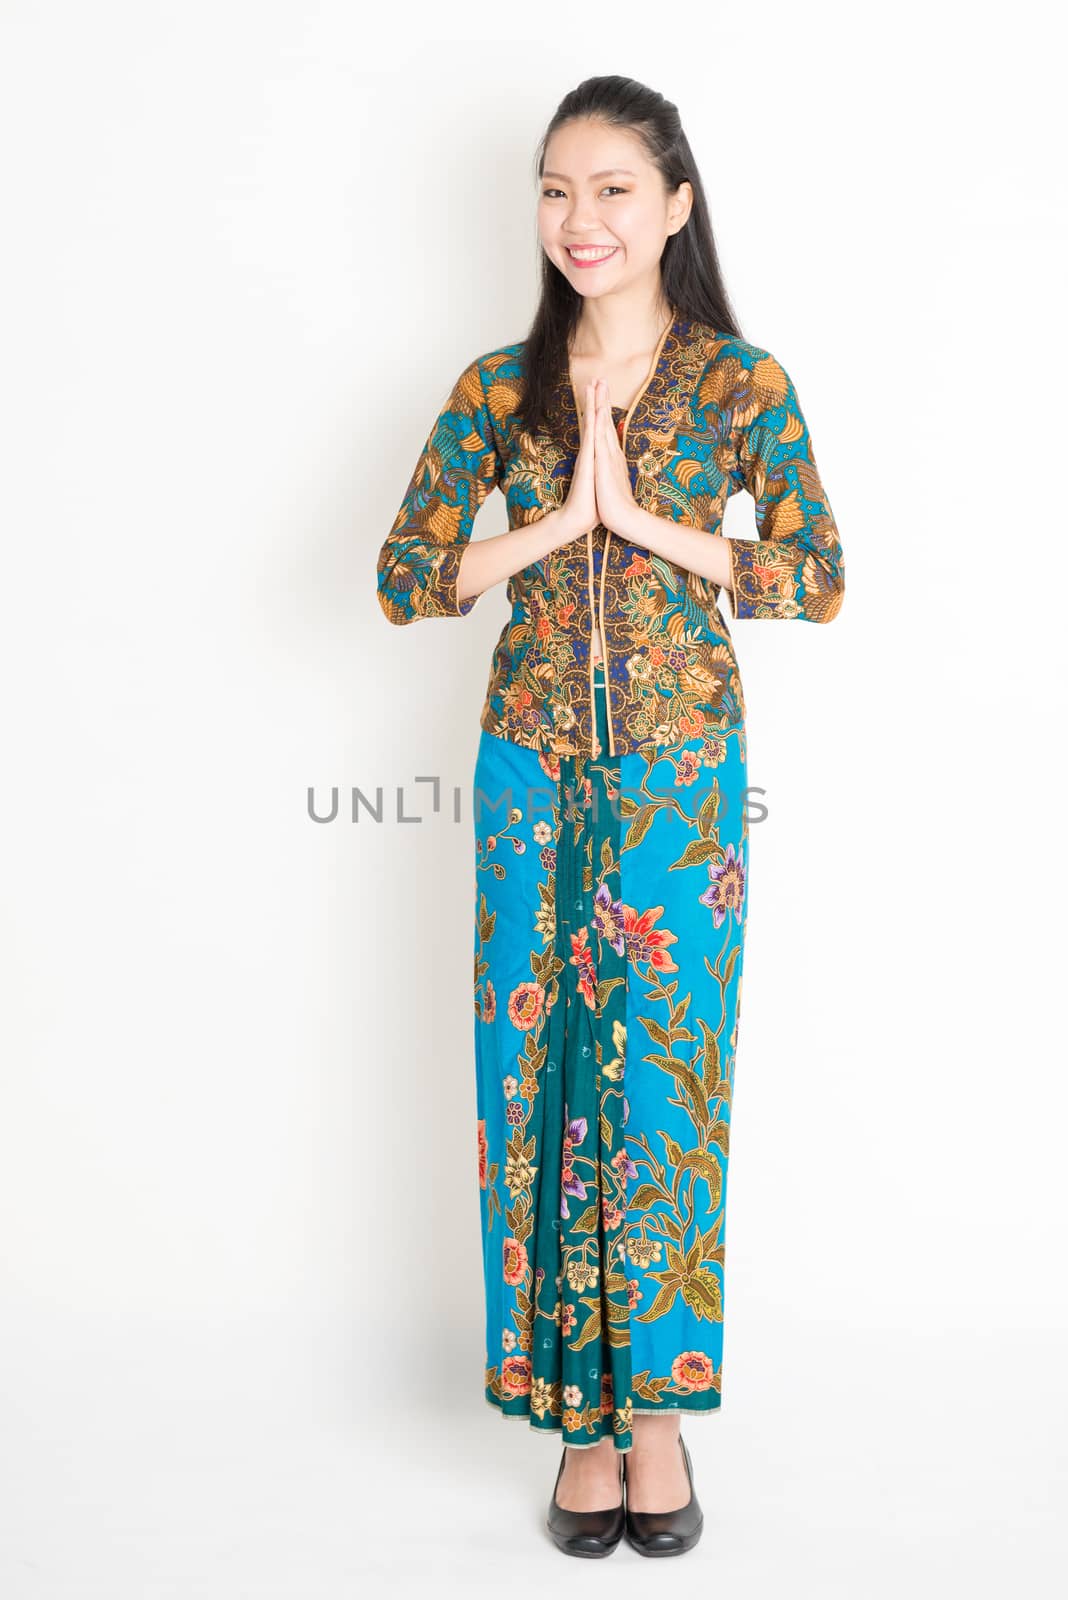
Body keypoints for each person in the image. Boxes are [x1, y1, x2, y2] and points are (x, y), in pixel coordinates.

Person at [376, 73, 845, 1558]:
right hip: (529, 771)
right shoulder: (494, 390)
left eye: (613, 190)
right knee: (542, 1082)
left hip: (680, 780)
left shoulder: (737, 385)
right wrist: (552, 525)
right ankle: (575, 1423)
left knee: (666, 1089)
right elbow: (405, 577)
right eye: (557, 190)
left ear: (677, 206)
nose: (581, 220)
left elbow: (819, 575)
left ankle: (655, 1418)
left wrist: (646, 524)